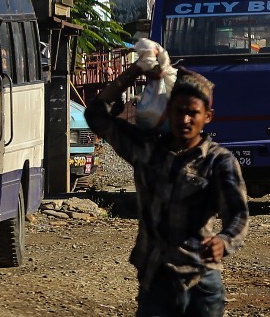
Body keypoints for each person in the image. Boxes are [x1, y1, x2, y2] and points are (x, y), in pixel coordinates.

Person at [86, 65, 248, 317]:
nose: (185, 120)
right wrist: (133, 72)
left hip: (201, 282)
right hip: (156, 279)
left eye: (193, 113)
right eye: (179, 111)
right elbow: (96, 114)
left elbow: (238, 214)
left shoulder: (218, 161)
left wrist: (223, 241)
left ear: (208, 116)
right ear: (168, 112)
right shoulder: (145, 150)